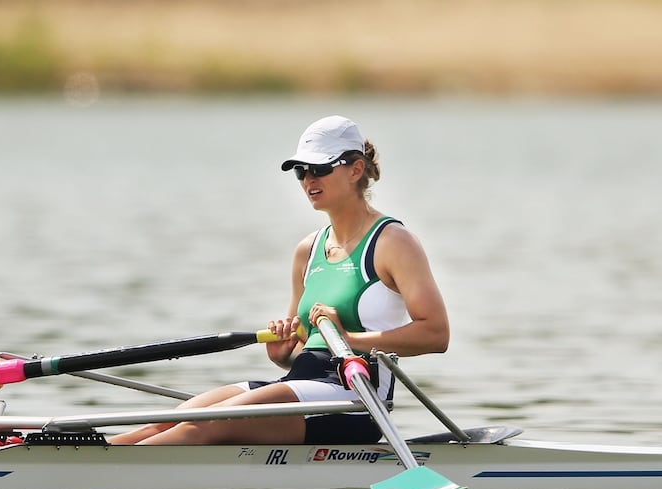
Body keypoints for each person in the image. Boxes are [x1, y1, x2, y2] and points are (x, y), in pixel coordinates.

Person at [108, 115, 449, 445]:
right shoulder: (308, 250)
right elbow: (304, 342)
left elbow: (435, 333)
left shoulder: (393, 242)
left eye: (320, 169)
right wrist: (285, 353)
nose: (308, 180)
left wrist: (348, 338)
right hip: (303, 381)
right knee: (168, 422)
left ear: (355, 169)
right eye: (301, 171)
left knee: (207, 423)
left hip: (356, 397)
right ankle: (84, 454)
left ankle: (108, 471)